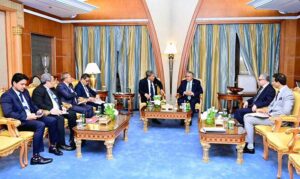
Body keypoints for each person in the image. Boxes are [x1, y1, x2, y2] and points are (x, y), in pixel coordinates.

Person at [0, 73, 63, 165]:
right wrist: (26, 116)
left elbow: (32, 104)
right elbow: (8, 113)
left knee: (52, 120)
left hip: (32, 116)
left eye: (25, 84)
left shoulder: (25, 92)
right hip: (20, 122)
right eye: (22, 84)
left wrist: (38, 111)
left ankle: (52, 146)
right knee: (40, 125)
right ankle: (36, 157)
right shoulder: (7, 95)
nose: (24, 86)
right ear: (14, 83)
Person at [243, 73, 294, 154]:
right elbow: (272, 106)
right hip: (270, 116)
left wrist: (271, 113)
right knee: (248, 115)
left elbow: (286, 111)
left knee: (247, 118)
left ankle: (250, 146)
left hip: (277, 120)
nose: (272, 83)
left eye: (273, 81)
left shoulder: (288, 93)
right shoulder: (279, 91)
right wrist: (264, 110)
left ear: (278, 82)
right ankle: (249, 144)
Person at [32, 73, 77, 151]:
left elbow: (58, 100)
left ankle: (73, 138)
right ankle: (61, 144)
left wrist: (62, 107)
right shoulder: (38, 90)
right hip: (49, 112)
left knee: (72, 114)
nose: (55, 82)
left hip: (59, 109)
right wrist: (51, 110)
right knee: (60, 119)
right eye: (53, 80)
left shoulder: (52, 89)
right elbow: (39, 104)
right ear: (47, 81)